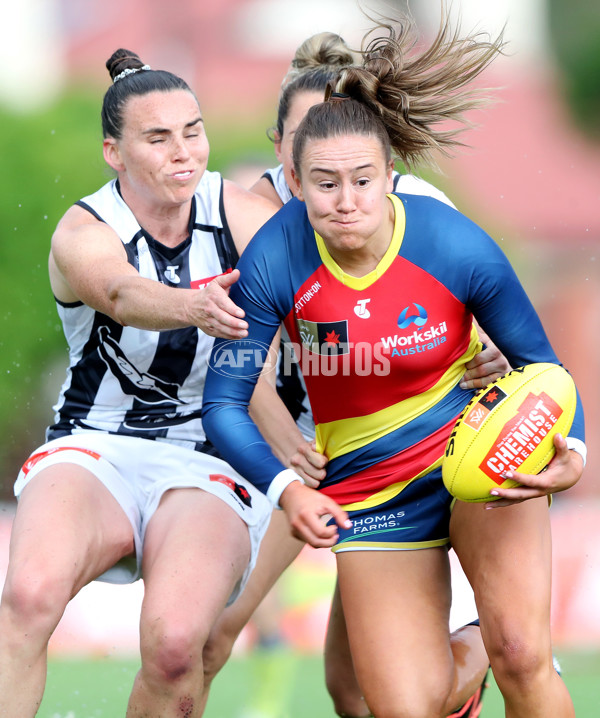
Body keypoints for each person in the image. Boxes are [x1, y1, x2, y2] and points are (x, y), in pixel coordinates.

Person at [202, 11, 586, 718]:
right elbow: (224, 399)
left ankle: (498, 649)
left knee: (524, 654)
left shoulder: (450, 240)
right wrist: (288, 487)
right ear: (291, 172)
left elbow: (543, 366)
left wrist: (577, 448)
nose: (346, 203)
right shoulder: (271, 260)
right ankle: (471, 654)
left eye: (361, 181)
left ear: (389, 174)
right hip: (370, 489)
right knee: (397, 706)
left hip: (478, 456)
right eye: (324, 184)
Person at [0, 48, 324, 718]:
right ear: (114, 153)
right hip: (97, 443)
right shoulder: (84, 228)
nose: (183, 153)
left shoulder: (240, 214)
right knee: (28, 597)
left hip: (211, 454)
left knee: (178, 645)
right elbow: (119, 291)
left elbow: (323, 304)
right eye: (157, 138)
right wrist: (194, 305)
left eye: (193, 131)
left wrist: (465, 344)